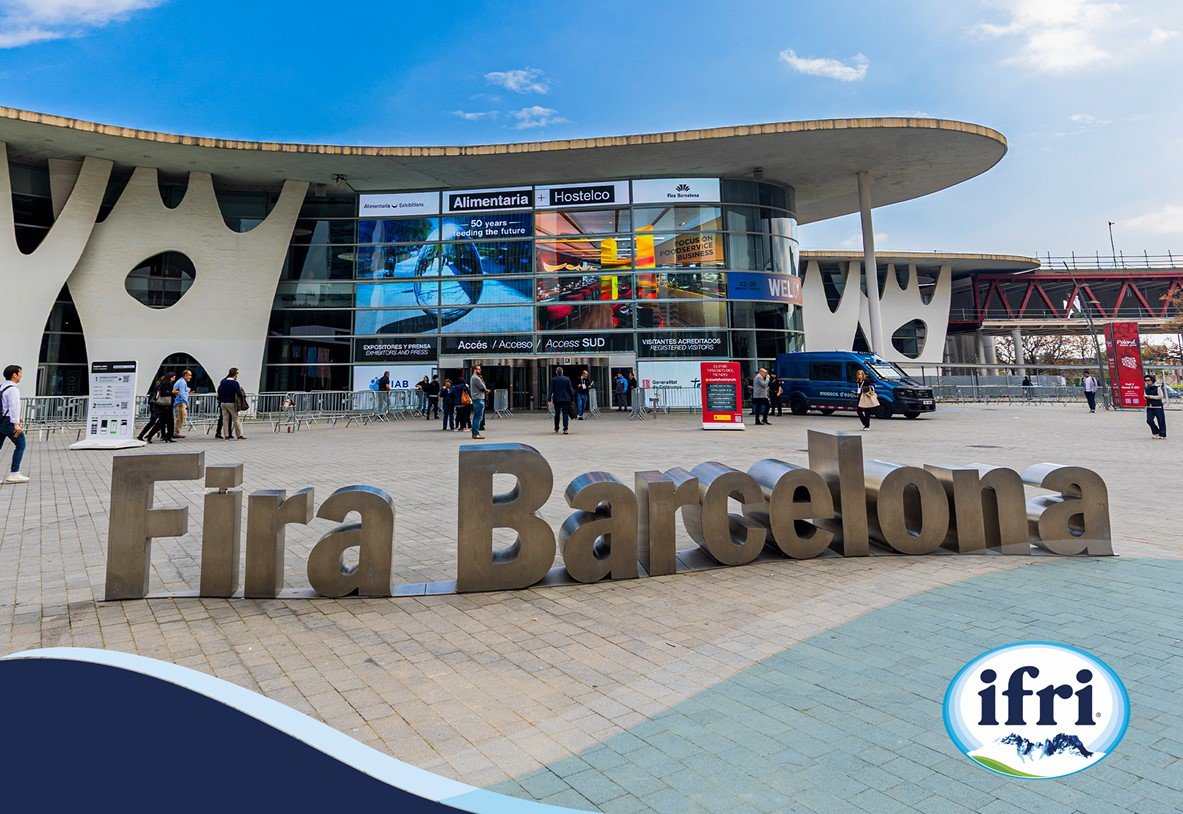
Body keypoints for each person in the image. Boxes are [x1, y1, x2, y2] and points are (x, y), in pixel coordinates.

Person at [0, 365, 29, 484]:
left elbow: (5, 406)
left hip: (1, 420)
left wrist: (17, 417)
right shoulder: (13, 389)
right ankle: (14, 473)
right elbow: (13, 406)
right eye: (20, 373)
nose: (21, 375)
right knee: (21, 444)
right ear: (14, 375)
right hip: (9, 423)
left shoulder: (2, 386)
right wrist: (15, 423)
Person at [139, 373, 176, 443]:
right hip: (165, 406)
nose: (173, 380)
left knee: (165, 422)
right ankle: (151, 435)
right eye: (173, 378)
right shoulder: (166, 384)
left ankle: (166, 436)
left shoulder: (163, 384)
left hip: (164, 406)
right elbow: (163, 394)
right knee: (162, 422)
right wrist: (173, 393)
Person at [218, 368, 247, 440]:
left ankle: (226, 435)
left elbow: (219, 391)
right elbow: (239, 393)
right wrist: (242, 398)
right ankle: (239, 435)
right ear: (235, 374)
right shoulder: (235, 383)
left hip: (223, 403)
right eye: (237, 373)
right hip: (231, 402)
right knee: (236, 419)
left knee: (225, 419)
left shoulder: (223, 382)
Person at [548, 366, 575, 435]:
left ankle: (556, 427)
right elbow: (570, 390)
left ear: (556, 372)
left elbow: (551, 389)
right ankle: (565, 429)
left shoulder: (554, 380)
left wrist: (549, 398)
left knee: (557, 413)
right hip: (565, 399)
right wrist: (572, 399)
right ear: (562, 372)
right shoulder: (567, 379)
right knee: (565, 414)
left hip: (557, 399)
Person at [1145, 374, 1167, 439]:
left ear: (1152, 380)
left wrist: (1151, 397)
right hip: (1149, 406)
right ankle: (1156, 432)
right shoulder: (1145, 388)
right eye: (1145, 380)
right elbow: (1145, 396)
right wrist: (1145, 397)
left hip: (1158, 406)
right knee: (1149, 420)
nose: (1147, 382)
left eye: (1148, 380)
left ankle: (1162, 434)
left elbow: (1161, 396)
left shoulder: (1157, 388)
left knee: (1161, 420)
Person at [469, 364, 487, 439]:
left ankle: (474, 433)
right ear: (474, 370)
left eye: (480, 369)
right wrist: (485, 388)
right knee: (478, 418)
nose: (480, 370)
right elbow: (483, 387)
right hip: (479, 399)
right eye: (478, 369)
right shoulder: (476, 378)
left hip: (475, 399)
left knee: (476, 417)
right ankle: (476, 433)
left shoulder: (473, 377)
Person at [173, 369, 192, 438]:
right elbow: (182, 393)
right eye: (189, 375)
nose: (190, 377)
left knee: (181, 417)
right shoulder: (182, 382)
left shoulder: (181, 382)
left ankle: (175, 431)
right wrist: (187, 403)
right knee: (180, 417)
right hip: (180, 403)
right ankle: (175, 432)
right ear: (185, 375)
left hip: (179, 402)